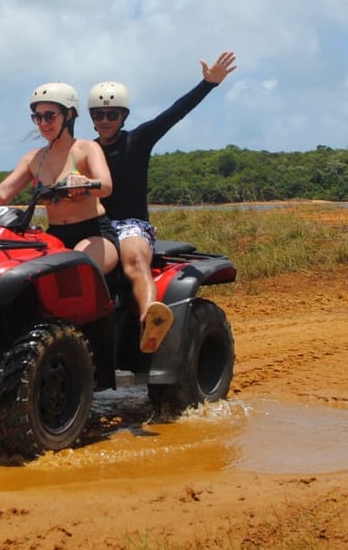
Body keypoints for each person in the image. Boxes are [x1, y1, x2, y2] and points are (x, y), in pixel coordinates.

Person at [88, 51, 237, 353]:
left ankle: (150, 321)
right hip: (96, 225)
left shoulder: (137, 140)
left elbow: (174, 113)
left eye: (112, 114)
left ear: (123, 117)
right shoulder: (85, 151)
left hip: (131, 225)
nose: (105, 121)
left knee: (134, 259)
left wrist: (208, 84)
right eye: (98, 115)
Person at [0, 82, 119, 275]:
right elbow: (1, 195)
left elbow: (106, 186)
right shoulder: (33, 159)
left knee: (73, 269)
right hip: (56, 234)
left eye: (49, 116)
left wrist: (85, 183)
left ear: (69, 115)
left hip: (94, 234)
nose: (43, 123)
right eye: (37, 117)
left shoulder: (87, 148)